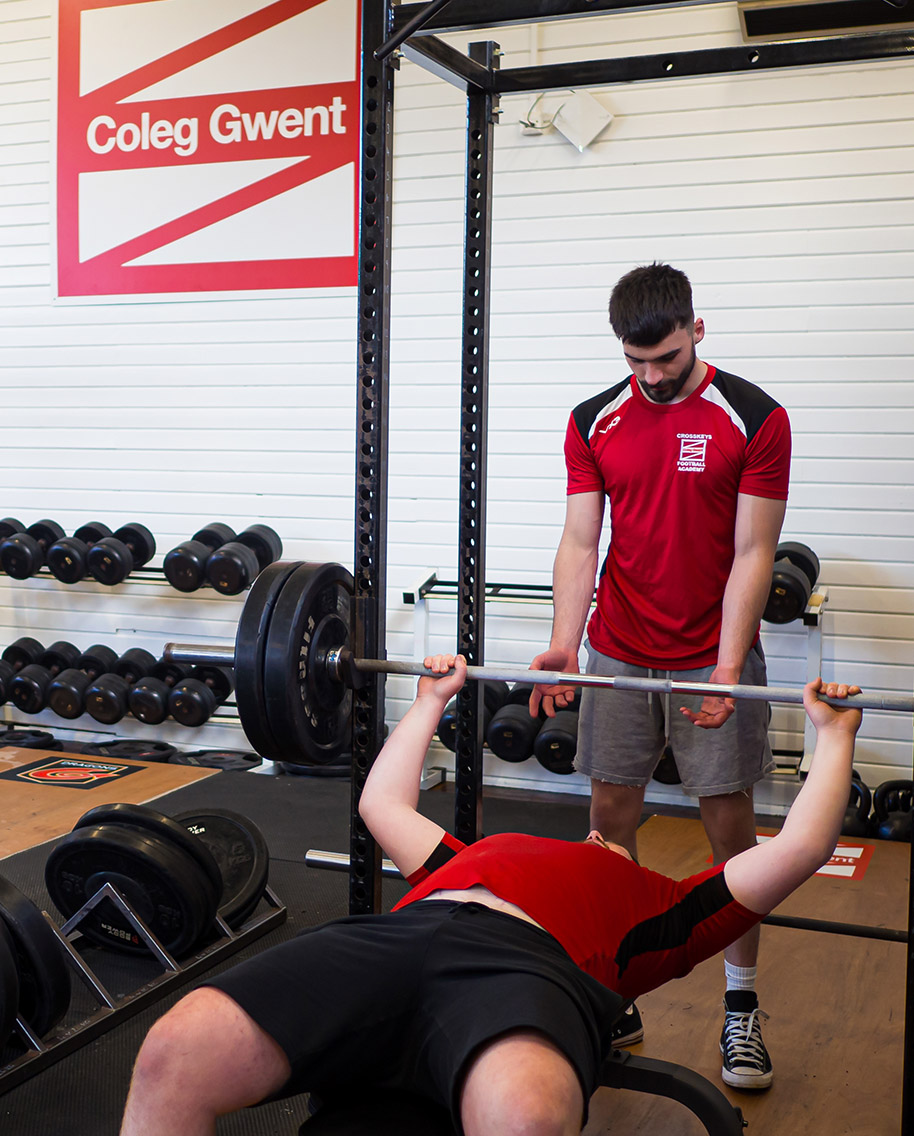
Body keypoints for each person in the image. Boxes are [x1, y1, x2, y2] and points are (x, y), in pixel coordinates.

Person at [119, 654, 861, 1136]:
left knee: (526, 1117)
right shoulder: (461, 860)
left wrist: (833, 739)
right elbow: (381, 806)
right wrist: (430, 700)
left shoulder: (668, 908)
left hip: (524, 969)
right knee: (174, 1051)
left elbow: (798, 848)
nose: (598, 832)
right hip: (394, 940)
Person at [529, 262, 792, 1088]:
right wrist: (564, 643)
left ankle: (741, 1007)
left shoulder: (755, 418)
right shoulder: (594, 420)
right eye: (635, 362)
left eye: (667, 359)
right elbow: (581, 542)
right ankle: (618, 986)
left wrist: (726, 666)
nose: (650, 377)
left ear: (696, 331)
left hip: (713, 652)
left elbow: (754, 553)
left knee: (729, 832)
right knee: (609, 819)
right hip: (618, 650)